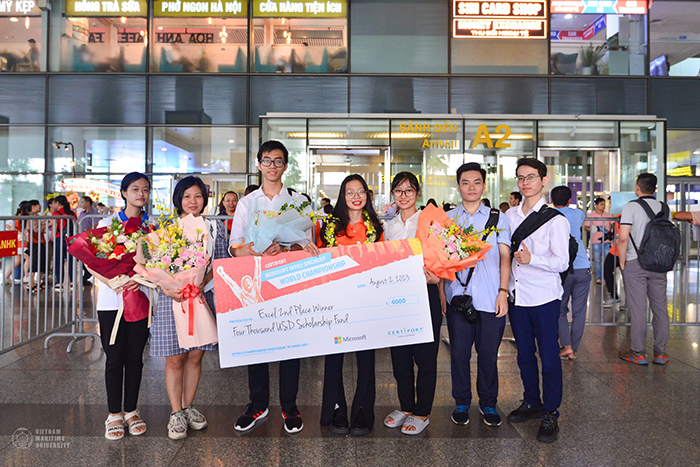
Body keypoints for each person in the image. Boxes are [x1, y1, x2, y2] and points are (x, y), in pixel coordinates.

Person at [229, 141, 316, 434]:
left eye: (278, 161)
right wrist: (248, 250)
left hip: (288, 279)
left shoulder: (298, 201)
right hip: (255, 280)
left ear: (285, 166)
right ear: (259, 164)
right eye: (266, 160)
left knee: (291, 342)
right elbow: (234, 245)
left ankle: (289, 407)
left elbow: (307, 244)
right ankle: (258, 404)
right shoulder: (247, 203)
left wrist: (287, 247)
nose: (272, 166)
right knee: (256, 343)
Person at [152, 176, 229, 440]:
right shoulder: (167, 229)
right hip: (173, 299)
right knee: (175, 358)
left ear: (204, 199)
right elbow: (155, 265)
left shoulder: (214, 228)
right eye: (187, 196)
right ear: (179, 199)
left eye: (197, 196)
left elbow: (220, 262)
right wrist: (168, 287)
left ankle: (188, 406)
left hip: (202, 297)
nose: (192, 201)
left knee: (196, 356)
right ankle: (176, 413)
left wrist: (202, 282)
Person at [441, 163, 511, 429]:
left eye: (477, 182)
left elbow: (505, 256)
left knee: (488, 354)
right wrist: (442, 294)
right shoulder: (448, 219)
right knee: (459, 354)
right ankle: (461, 402)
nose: (471, 187)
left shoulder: (497, 217)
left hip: (491, 296)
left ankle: (488, 403)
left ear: (484, 185)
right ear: (458, 186)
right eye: (466, 182)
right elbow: (441, 261)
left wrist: (503, 292)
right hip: (458, 297)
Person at [506, 158, 569, 444]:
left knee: (549, 357)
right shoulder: (509, 216)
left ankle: (550, 412)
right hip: (518, 296)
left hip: (544, 298)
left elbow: (562, 262)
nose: (525, 182)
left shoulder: (556, 220)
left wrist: (533, 259)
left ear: (544, 180)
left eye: (531, 177)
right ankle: (531, 401)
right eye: (520, 177)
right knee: (524, 355)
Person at [318, 174, 384, 436]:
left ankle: (362, 411)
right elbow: (320, 261)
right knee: (334, 358)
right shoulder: (329, 226)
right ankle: (337, 409)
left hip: (366, 302)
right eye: (350, 192)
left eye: (361, 191)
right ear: (342, 196)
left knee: (366, 359)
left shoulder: (376, 228)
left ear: (367, 195)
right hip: (335, 302)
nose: (356, 197)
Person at [89, 173, 152, 441]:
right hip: (112, 301)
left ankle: (131, 411)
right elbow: (91, 261)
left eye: (145, 189)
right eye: (135, 189)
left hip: (140, 299)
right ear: (124, 193)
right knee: (114, 358)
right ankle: (114, 414)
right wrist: (112, 282)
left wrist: (142, 277)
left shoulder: (152, 227)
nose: (141, 194)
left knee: (135, 357)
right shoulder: (107, 224)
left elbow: (159, 263)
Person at [382, 172, 442, 435]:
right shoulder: (389, 227)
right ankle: (406, 406)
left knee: (425, 357)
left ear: (417, 192)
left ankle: (422, 412)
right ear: (393, 194)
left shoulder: (431, 222)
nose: (403, 196)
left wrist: (437, 277)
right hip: (397, 297)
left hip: (425, 293)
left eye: (408, 190)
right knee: (400, 357)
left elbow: (445, 256)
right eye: (398, 191)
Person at [617, 173, 670, 366]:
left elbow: (623, 237)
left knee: (638, 309)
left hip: (635, 262)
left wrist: (622, 263)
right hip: (659, 263)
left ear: (637, 188)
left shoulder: (631, 207)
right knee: (660, 308)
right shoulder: (664, 207)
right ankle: (660, 352)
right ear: (655, 189)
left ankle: (638, 352)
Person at [552, 186, 591, 361]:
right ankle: (573, 349)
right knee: (579, 312)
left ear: (552, 200)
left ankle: (566, 345)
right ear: (569, 200)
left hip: (563, 269)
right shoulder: (578, 214)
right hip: (583, 267)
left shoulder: (550, 216)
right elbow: (581, 214)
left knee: (560, 308)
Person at [585, 197, 613, 285]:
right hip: (596, 240)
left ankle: (608, 277)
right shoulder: (591, 216)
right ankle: (599, 277)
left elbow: (613, 224)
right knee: (597, 260)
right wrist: (595, 229)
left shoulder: (608, 215)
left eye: (604, 204)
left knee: (608, 260)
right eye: (601, 204)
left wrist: (612, 233)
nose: (603, 206)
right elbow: (586, 227)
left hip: (607, 240)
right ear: (596, 205)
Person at [51, 195, 76, 291]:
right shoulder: (72, 214)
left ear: (57, 203)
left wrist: (52, 239)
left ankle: (60, 283)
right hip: (71, 239)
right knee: (71, 261)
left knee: (58, 261)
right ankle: (72, 282)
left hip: (59, 239)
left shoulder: (56, 214)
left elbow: (54, 228)